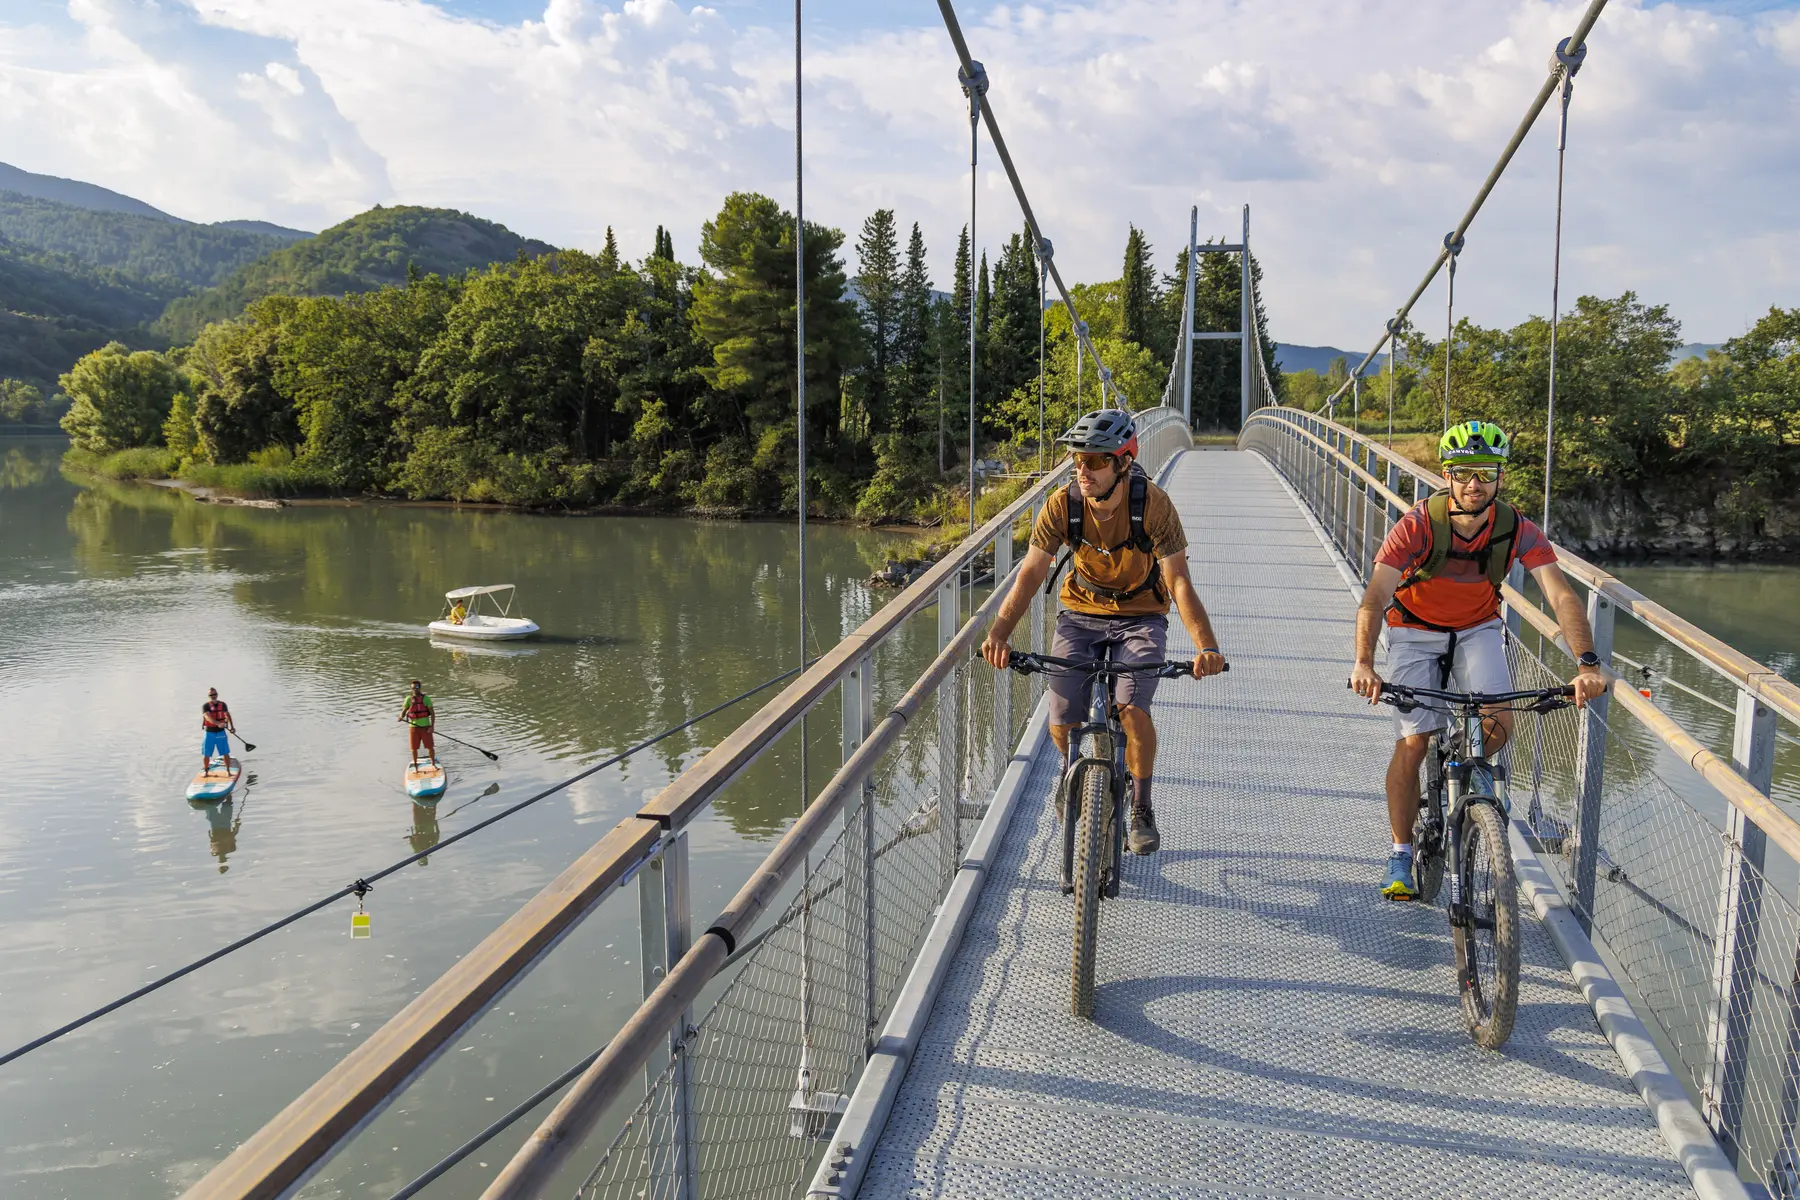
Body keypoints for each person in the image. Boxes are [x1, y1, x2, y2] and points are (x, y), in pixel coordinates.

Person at [1350, 420, 1609, 899]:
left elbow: (1560, 594)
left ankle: (1462, 766)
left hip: (1477, 628)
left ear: (1500, 477)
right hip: (1414, 631)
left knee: (1498, 724)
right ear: (1446, 475)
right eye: (1463, 472)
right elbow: (1374, 598)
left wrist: (1587, 663)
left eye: (1485, 473)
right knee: (1412, 742)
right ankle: (1401, 853)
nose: (1474, 484)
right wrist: (1365, 663)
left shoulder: (1516, 528)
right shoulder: (1416, 526)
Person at [981, 408, 1227, 854]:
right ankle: (1068, 771)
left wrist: (1206, 646)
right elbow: (1032, 573)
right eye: (1078, 460)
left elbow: (1178, 581)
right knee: (1060, 714)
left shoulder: (1153, 505)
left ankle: (1141, 805)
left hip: (1141, 616)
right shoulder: (1063, 504)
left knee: (1132, 710)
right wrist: (999, 633)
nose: (1083, 469)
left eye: (1096, 461)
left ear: (1124, 462)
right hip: (1079, 613)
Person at [398, 680, 436, 766]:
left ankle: (433, 764)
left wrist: (432, 727)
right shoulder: (408, 699)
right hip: (414, 728)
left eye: (417, 687)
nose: (415, 689)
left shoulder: (426, 699)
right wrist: (401, 716)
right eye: (413, 688)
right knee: (413, 748)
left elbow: (432, 714)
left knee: (430, 747)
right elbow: (404, 711)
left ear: (420, 687)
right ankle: (415, 765)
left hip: (425, 727)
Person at [201, 688, 235, 775]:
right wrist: (218, 723)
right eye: (211, 695)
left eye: (214, 694)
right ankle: (206, 771)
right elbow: (207, 717)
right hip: (209, 733)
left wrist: (232, 727)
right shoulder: (206, 706)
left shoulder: (223, 704)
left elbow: (227, 715)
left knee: (225, 752)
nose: (213, 696)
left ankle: (228, 771)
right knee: (206, 754)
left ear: (217, 694)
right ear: (209, 696)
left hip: (221, 733)